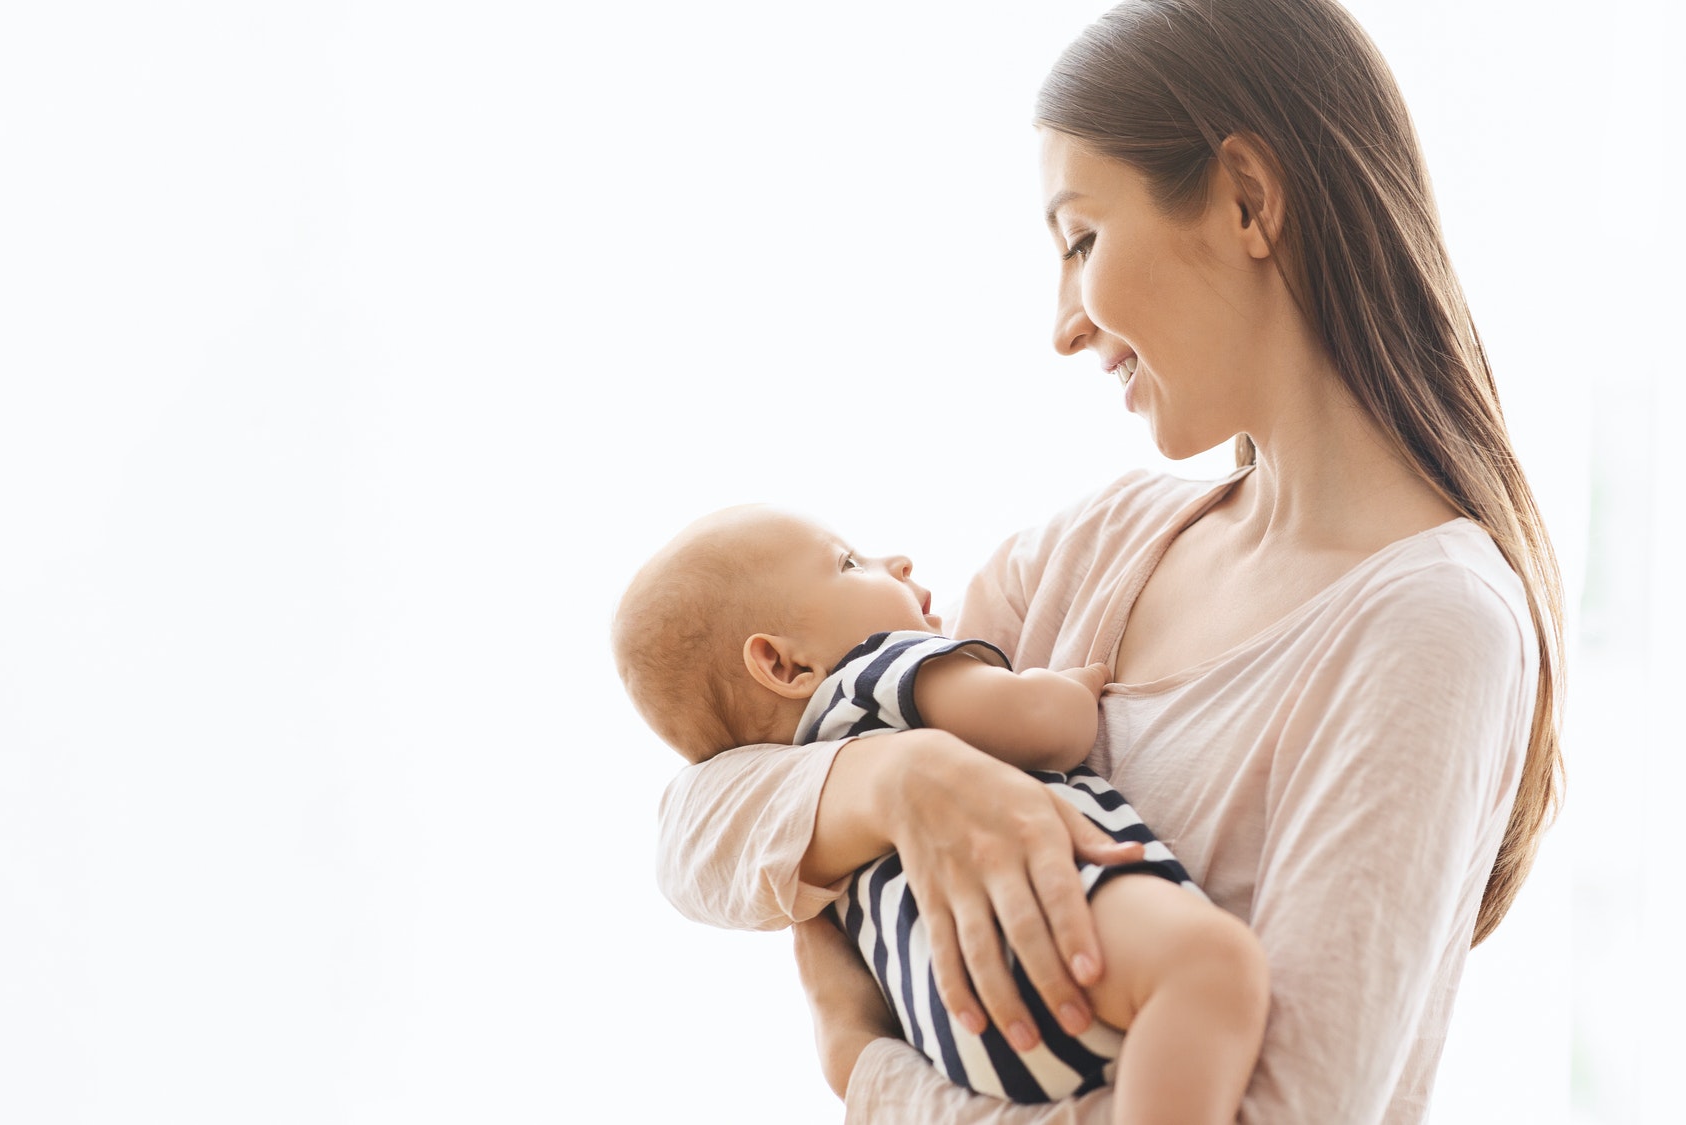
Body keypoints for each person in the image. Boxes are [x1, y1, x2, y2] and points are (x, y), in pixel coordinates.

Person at [652, 0, 1565, 1121]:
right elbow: (696, 825)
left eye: (1079, 239)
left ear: (1245, 199)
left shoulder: (1430, 625)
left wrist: (862, 1067)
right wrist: (902, 780)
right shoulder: (1085, 557)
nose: (1062, 327)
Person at [612, 505, 1268, 1119]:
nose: (894, 561)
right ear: (784, 664)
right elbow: (1037, 722)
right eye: (848, 564)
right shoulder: (880, 673)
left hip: (956, 1030)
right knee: (1209, 968)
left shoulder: (809, 780)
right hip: (1039, 935)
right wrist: (1076, 687)